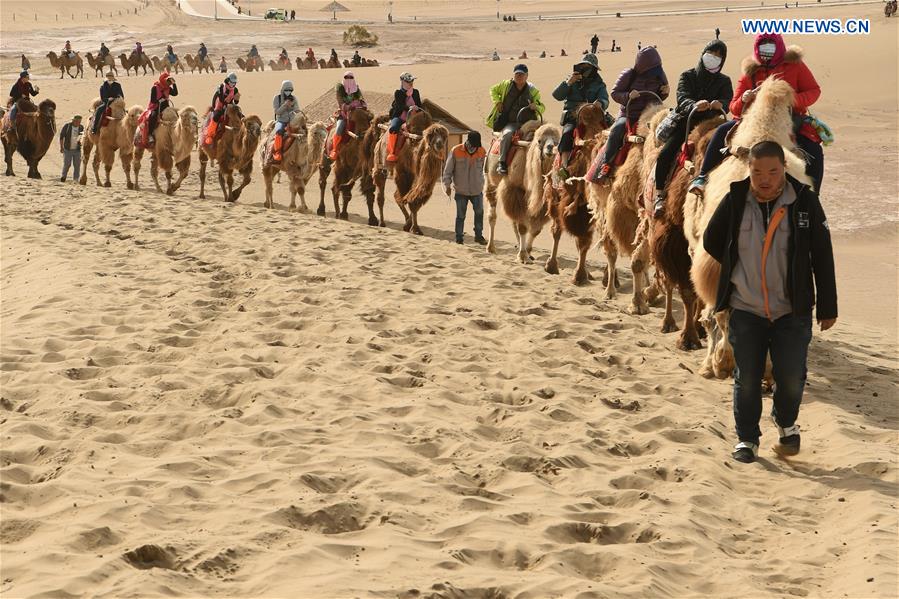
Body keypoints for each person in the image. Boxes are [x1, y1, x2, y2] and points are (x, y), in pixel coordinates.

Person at [701, 140, 837, 464]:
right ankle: (747, 439)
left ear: (783, 170)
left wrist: (828, 306)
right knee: (747, 377)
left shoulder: (805, 202)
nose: (765, 178)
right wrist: (737, 263)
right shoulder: (735, 199)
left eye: (773, 171)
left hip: (792, 311)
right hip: (746, 308)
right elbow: (711, 240)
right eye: (757, 171)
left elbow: (822, 255)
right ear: (749, 169)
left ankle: (785, 421)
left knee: (791, 376)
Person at [689, 33, 823, 195]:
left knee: (813, 150)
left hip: (789, 118)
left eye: (770, 44)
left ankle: (812, 196)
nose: (767, 49)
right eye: (763, 44)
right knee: (721, 132)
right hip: (754, 120)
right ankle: (702, 177)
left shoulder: (795, 65)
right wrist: (745, 99)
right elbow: (734, 107)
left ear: (779, 46)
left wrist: (791, 99)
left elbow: (814, 91)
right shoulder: (751, 71)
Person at [652, 40, 732, 217]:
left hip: (712, 124)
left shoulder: (724, 81)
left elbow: (728, 100)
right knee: (666, 154)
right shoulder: (687, 76)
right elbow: (682, 97)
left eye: (719, 56)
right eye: (711, 54)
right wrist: (694, 105)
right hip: (687, 122)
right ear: (704, 54)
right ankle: (659, 195)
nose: (714, 58)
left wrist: (722, 104)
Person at [592, 46, 669, 183]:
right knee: (617, 130)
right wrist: (628, 96)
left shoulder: (659, 75)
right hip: (629, 114)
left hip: (650, 115)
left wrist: (665, 91)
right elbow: (615, 93)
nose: (653, 72)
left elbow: (659, 97)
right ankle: (606, 165)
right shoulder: (629, 75)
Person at [551, 53, 608, 181]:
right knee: (567, 133)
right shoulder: (571, 80)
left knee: (608, 135)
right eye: (583, 66)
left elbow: (605, 99)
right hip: (573, 118)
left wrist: (601, 103)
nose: (585, 69)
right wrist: (569, 83)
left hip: (592, 118)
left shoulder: (599, 84)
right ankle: (564, 166)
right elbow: (556, 95)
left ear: (594, 69)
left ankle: (606, 166)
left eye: (588, 67)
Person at [485, 63, 545, 175]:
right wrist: (497, 101)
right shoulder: (505, 85)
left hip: (529, 123)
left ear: (527, 76)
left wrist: (535, 107)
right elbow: (493, 90)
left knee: (545, 137)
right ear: (513, 75)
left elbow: (542, 107)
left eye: (521, 74)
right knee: (507, 135)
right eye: (517, 74)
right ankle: (501, 163)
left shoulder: (533, 90)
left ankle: (543, 165)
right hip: (512, 122)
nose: (519, 76)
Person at [443, 131, 488, 245]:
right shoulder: (456, 150)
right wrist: (447, 185)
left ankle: (478, 236)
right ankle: (459, 238)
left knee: (479, 213)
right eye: (473, 144)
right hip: (461, 190)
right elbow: (448, 171)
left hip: (477, 190)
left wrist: (484, 183)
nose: (474, 147)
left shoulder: (482, 151)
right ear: (467, 141)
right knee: (460, 215)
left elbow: (484, 169)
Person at [328, 71, 367, 160]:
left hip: (355, 114)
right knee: (339, 129)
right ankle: (334, 149)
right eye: (346, 77)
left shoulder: (356, 89)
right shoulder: (340, 88)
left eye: (350, 77)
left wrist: (359, 104)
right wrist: (348, 106)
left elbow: (362, 100)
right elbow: (340, 101)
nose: (348, 79)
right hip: (343, 115)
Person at [386, 72, 422, 163]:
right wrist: (409, 107)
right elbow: (400, 106)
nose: (411, 82)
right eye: (408, 81)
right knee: (393, 128)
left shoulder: (416, 92)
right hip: (400, 117)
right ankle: (392, 152)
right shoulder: (398, 93)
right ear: (402, 81)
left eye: (412, 80)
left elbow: (419, 104)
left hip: (414, 117)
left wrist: (418, 108)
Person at [204, 72, 239, 145]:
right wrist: (215, 108)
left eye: (234, 83)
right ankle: (209, 135)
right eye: (231, 82)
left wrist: (237, 99)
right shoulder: (221, 87)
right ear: (228, 80)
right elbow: (220, 98)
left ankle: (241, 132)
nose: (233, 84)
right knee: (216, 117)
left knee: (240, 115)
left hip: (230, 107)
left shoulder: (235, 90)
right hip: (219, 105)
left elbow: (236, 102)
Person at [146, 70, 178, 145]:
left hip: (166, 108)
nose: (169, 83)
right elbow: (153, 100)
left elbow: (175, 93)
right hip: (156, 107)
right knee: (153, 116)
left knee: (177, 115)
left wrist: (174, 84)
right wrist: (160, 100)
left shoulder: (168, 88)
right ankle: (150, 134)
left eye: (170, 81)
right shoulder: (155, 88)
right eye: (168, 81)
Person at [271, 80, 298, 162]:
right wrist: (285, 105)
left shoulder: (294, 98)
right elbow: (277, 112)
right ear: (283, 89)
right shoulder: (277, 98)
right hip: (281, 121)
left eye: (290, 90)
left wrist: (293, 109)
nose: (288, 92)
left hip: (292, 121)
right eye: (286, 90)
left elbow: (297, 110)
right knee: (279, 131)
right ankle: (277, 152)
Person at [92, 71, 125, 135]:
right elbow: (102, 98)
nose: (110, 79)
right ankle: (95, 128)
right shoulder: (102, 87)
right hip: (106, 103)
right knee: (99, 110)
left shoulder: (118, 85)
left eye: (111, 77)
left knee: (125, 113)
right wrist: (107, 99)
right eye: (108, 78)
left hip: (116, 102)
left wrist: (116, 99)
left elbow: (121, 95)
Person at [59, 115, 83, 182]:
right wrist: (61, 147)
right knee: (67, 164)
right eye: (77, 121)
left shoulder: (81, 127)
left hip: (77, 150)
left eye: (79, 121)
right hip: (67, 149)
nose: (78, 123)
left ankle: (76, 179)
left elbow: (82, 137)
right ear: (73, 121)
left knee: (77, 165)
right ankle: (63, 177)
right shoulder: (67, 126)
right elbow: (61, 137)